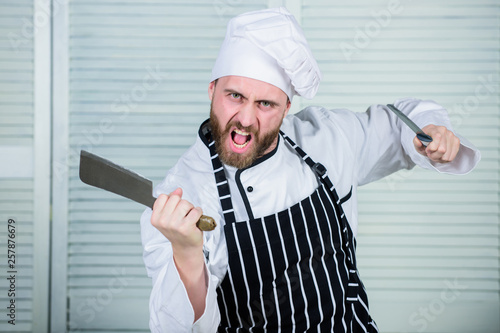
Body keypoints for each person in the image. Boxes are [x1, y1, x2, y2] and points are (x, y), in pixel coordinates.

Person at [140, 7, 481, 333]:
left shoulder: (327, 139)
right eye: (234, 95)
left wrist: (432, 131)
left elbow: (399, 122)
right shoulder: (180, 196)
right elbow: (176, 326)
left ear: (287, 107)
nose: (245, 119)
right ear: (212, 89)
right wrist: (185, 252)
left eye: (265, 104)